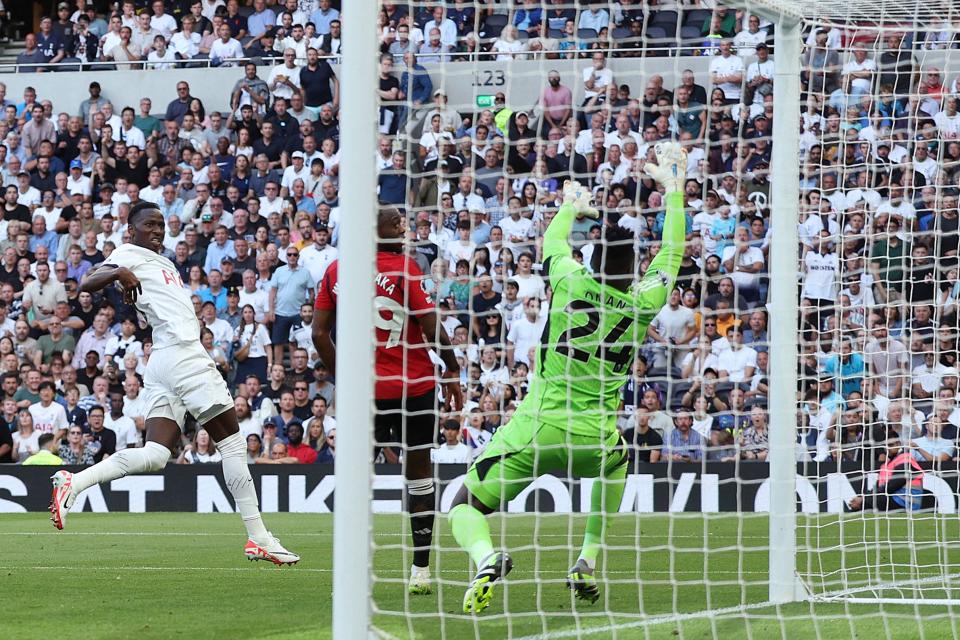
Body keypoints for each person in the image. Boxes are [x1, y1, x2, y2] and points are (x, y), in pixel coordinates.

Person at [443, 143, 687, 613]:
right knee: (618, 464)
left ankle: (487, 556)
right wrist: (673, 191)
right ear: (633, 268)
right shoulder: (643, 302)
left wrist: (571, 207)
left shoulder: (570, 279)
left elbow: (551, 245)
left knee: (463, 501)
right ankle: (586, 560)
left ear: (593, 260)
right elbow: (672, 255)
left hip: (536, 426)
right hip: (594, 435)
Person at [49, 201, 298, 566]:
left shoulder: (163, 262)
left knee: (155, 455)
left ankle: (75, 483)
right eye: (149, 224)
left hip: (164, 360)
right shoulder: (126, 253)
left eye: (161, 224)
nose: (157, 230)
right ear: (131, 230)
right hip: (184, 356)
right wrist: (119, 271)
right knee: (232, 445)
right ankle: (259, 537)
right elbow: (87, 282)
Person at [313, 205, 463, 596]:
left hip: (366, 394)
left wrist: (345, 377)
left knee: (356, 477)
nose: (405, 228)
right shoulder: (407, 268)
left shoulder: (335, 270)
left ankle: (350, 571)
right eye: (397, 224)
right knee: (418, 472)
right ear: (376, 230)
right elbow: (431, 327)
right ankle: (420, 569)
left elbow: (318, 334)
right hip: (413, 388)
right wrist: (451, 368)